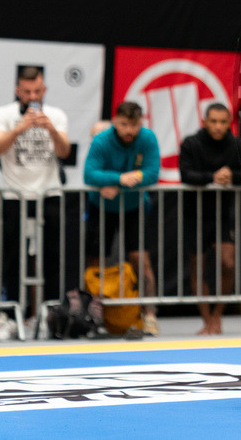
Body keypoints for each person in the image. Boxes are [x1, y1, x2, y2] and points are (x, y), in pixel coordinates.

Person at [0, 66, 72, 328]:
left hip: (49, 193)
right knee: (12, 258)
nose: (32, 95)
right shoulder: (3, 114)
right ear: (17, 90)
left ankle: (51, 315)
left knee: (53, 257)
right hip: (15, 194)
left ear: (44, 90)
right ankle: (14, 318)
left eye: (37, 90)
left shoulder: (56, 115)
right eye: (27, 91)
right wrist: (19, 129)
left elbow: (65, 151)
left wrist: (51, 130)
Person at [83, 101, 161, 336]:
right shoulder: (102, 141)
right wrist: (118, 179)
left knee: (142, 261)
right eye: (124, 124)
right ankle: (95, 317)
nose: (129, 130)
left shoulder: (147, 138)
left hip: (134, 207)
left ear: (141, 123)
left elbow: (153, 172)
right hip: (101, 207)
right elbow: (89, 173)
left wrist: (127, 178)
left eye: (134, 125)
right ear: (115, 121)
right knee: (97, 263)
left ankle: (149, 316)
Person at [178, 103, 241, 335]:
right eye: (214, 121)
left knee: (228, 263)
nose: (218, 126)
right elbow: (185, 173)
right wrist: (212, 177)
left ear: (229, 123)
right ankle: (207, 320)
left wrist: (232, 176)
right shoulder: (191, 143)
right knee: (198, 267)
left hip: (223, 214)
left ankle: (218, 315)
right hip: (194, 214)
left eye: (223, 122)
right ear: (204, 121)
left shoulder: (236, 144)